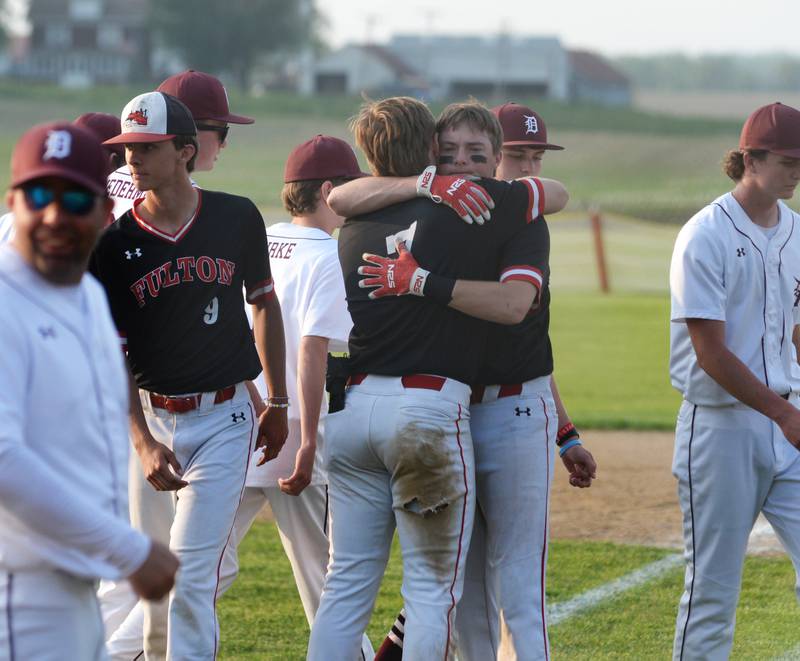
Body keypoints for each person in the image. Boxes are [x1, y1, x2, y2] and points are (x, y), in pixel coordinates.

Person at [330, 100, 595, 660]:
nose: (462, 163)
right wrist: (429, 183)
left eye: (477, 153)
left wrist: (564, 431)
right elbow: (341, 196)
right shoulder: (433, 203)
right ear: (430, 153)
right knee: (466, 589)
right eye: (449, 151)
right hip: (451, 412)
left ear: (497, 160)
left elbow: (518, 313)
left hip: (513, 409)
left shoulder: (513, 212)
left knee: (517, 583)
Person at [90, 91, 288, 660]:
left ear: (184, 150)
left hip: (225, 419)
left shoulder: (235, 217)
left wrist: (276, 402)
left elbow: (263, 304)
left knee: (191, 576)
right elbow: (113, 355)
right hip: (151, 418)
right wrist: (142, 441)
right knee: (147, 577)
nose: (133, 160)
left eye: (147, 148)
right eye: (127, 148)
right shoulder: (116, 244)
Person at [0, 121, 178, 660]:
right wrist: (128, 550)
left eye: (75, 197)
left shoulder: (86, 299)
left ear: (106, 214)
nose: (56, 214)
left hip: (73, 597)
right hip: (18, 597)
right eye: (40, 194)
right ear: (15, 202)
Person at [211, 134, 374, 660]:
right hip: (296, 426)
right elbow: (312, 349)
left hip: (239, 420)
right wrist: (307, 442)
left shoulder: (259, 237)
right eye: (351, 187)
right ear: (328, 190)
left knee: (200, 566)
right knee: (327, 580)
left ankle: (133, 646)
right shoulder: (332, 253)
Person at [669, 101, 800, 660]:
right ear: (751, 158)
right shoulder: (705, 234)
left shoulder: (796, 230)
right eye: (790, 159)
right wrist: (784, 413)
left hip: (787, 424)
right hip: (720, 430)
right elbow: (710, 354)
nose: (798, 171)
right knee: (712, 594)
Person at [106, 69, 253, 218]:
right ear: (191, 132)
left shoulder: (114, 178)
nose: (224, 143)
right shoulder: (187, 205)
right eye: (222, 132)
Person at [0, 112, 122, 246]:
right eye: (38, 196)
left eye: (75, 199)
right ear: (114, 162)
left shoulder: (5, 223)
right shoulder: (114, 230)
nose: (54, 218)